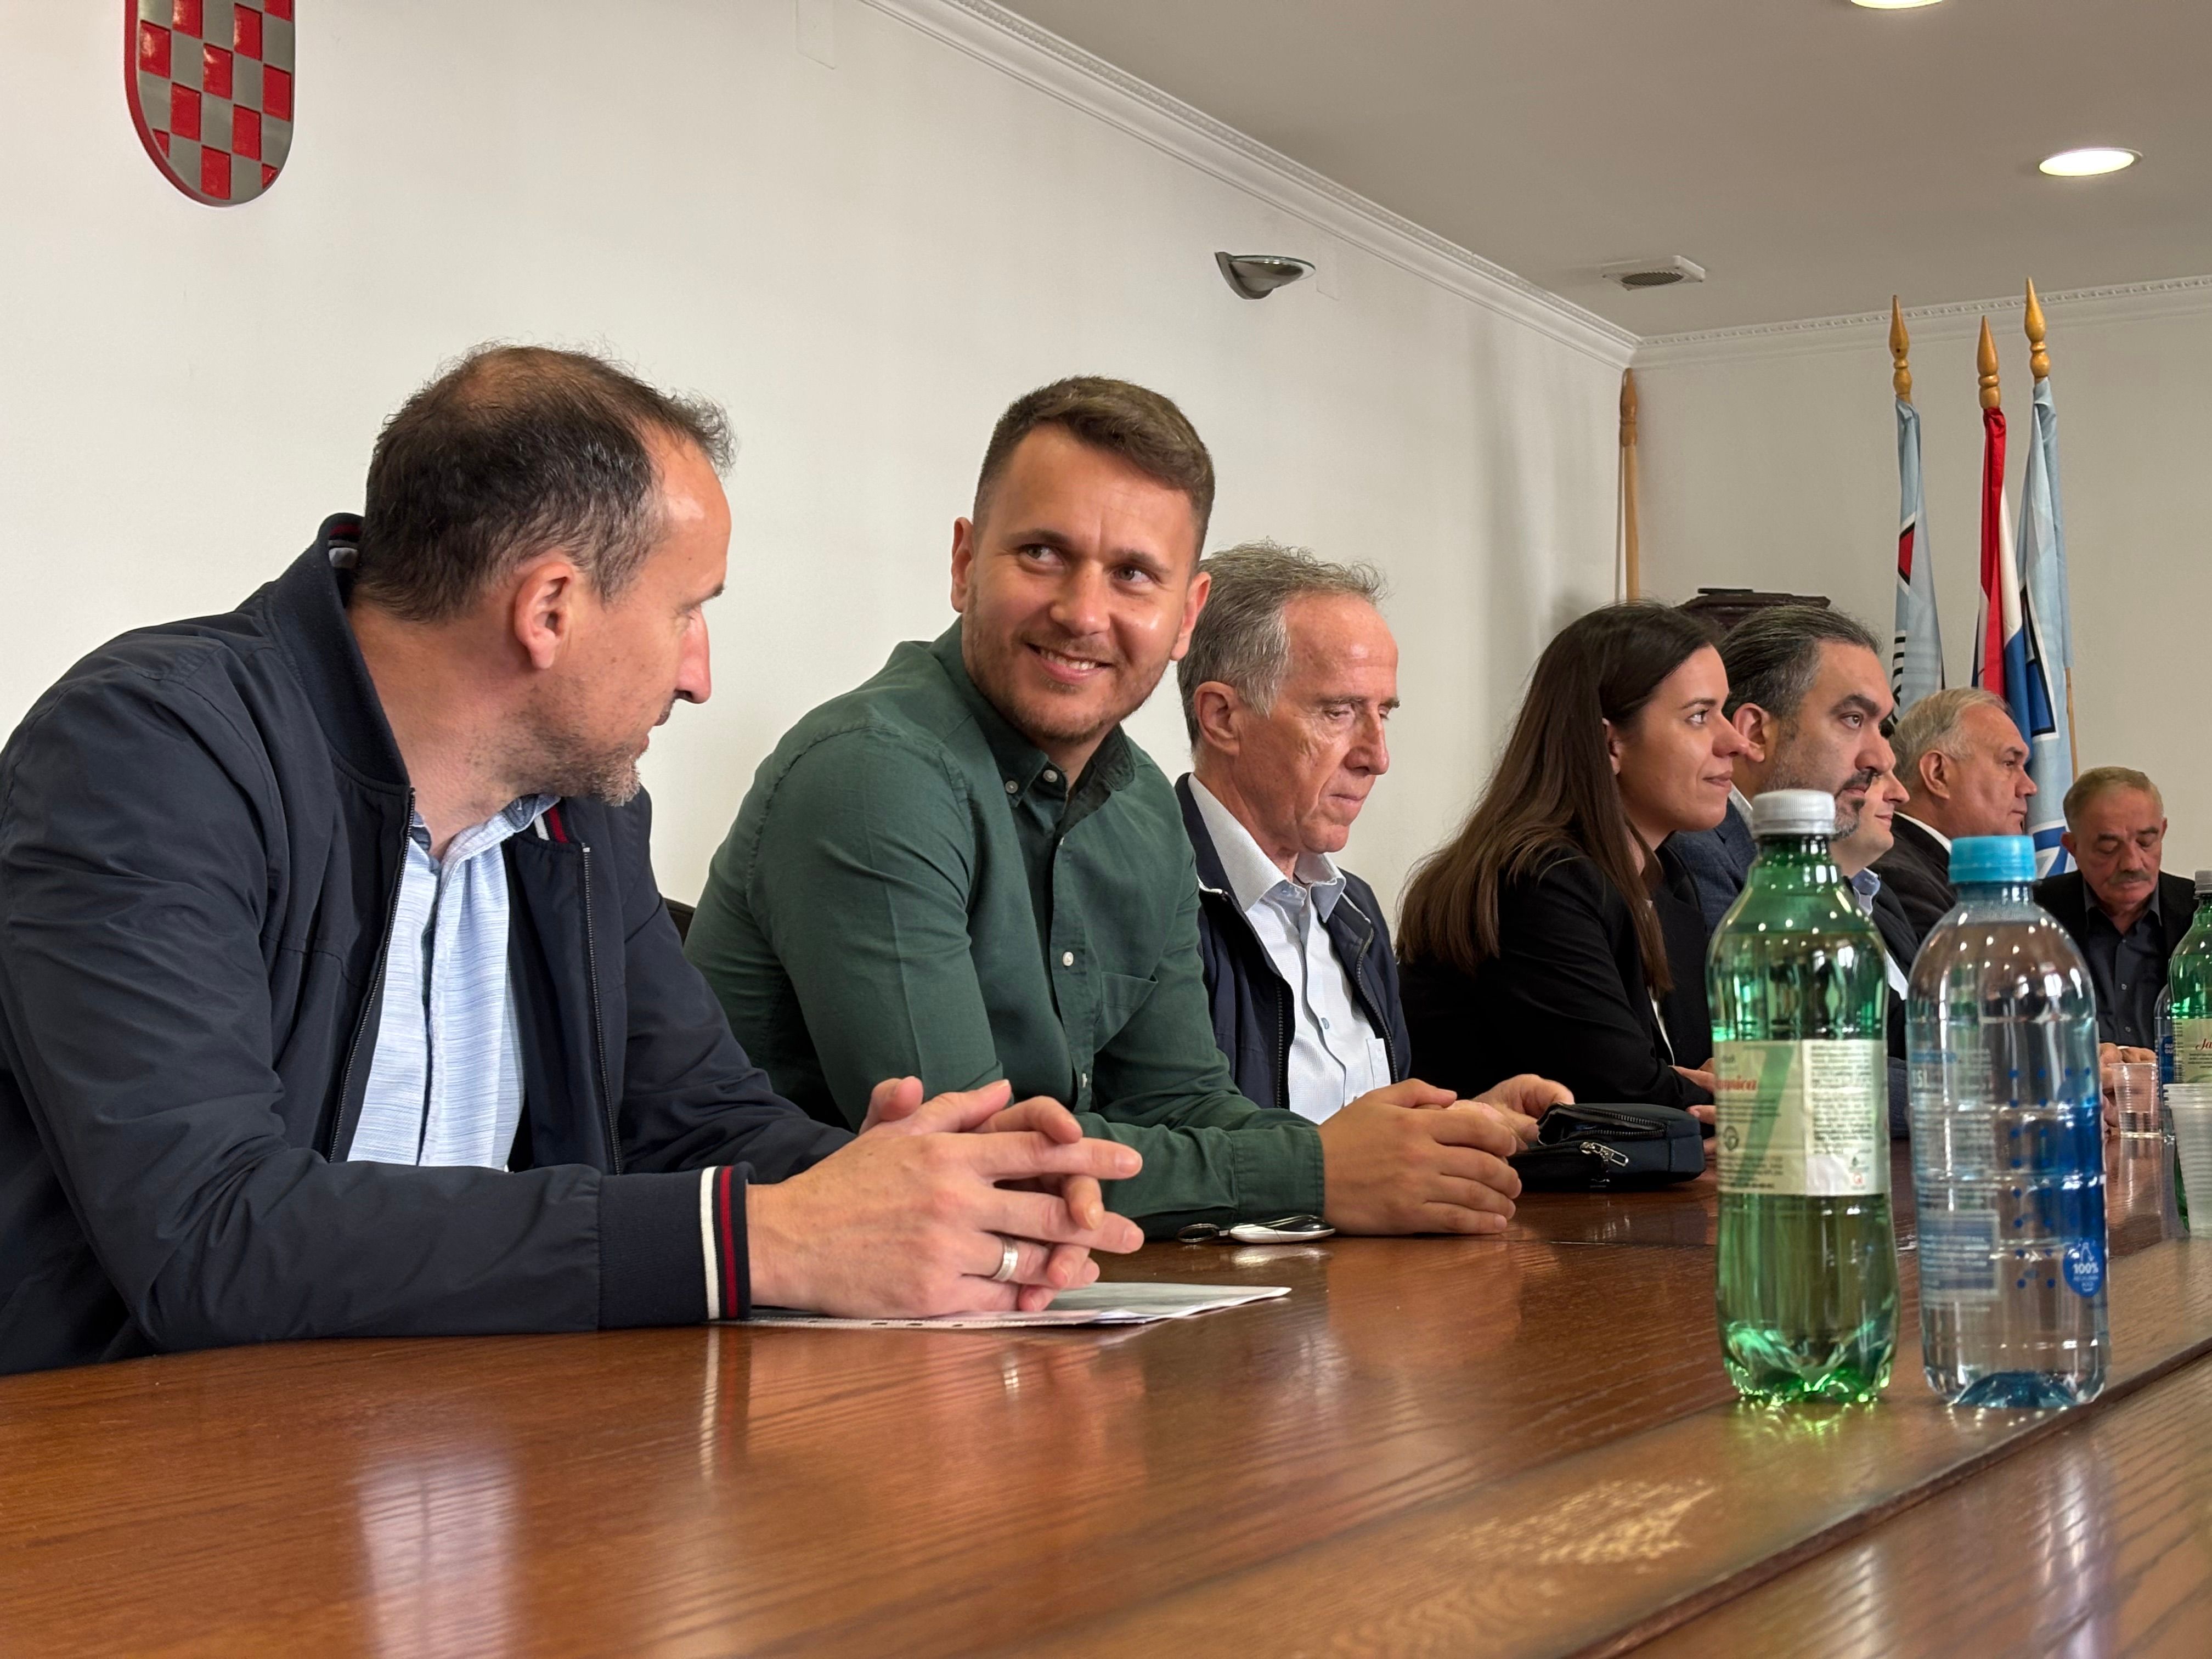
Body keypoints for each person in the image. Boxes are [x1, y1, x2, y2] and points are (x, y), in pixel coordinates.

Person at [0, 347, 1145, 1378]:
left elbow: (691, 1121)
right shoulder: (146, 752)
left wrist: (921, 1188)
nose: (699, 674)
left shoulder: (583, 812)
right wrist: (755, 1239)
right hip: (128, 1479)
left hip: (464, 1441)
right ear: (549, 607)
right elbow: (208, 1234)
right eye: (687, 611)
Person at [686, 377, 1553, 1238]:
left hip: (1021, 1288)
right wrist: (1318, 1169)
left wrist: (1415, 1150)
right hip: (785, 1305)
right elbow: (965, 1164)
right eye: (1042, 554)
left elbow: (1181, 1099)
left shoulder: (1140, 802)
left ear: (1187, 617)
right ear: (964, 565)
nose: (1083, 613)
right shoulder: (873, 772)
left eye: (1134, 575)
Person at [1175, 541, 1543, 1123]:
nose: (1377, 757)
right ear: (1223, 717)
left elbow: (1364, 1138)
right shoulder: (1154, 899)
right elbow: (1169, 1142)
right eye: (1339, 712)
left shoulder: (1356, 910)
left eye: (1383, 713)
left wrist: (1461, 1126)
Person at [1396, 603, 1746, 1115]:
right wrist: (1748, 1107)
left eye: (1723, 712)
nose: (1734, 741)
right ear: (1610, 744)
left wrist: (1715, 1092)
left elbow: (1686, 1074)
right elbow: (1622, 1098)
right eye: (1699, 716)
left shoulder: (1669, 879)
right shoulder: (1537, 881)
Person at [1671, 606, 1895, 934]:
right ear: (1756, 733)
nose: (1883, 760)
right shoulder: (1697, 860)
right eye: (1853, 719)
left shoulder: (1817, 863)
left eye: (1881, 727)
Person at [2036, 767, 2196, 1048]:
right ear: (2072, 847)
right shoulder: (2033, 914)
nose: (2132, 863)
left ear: (2162, 832)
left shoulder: (2201, 914)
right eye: (2109, 847)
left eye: (2146, 842)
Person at [1873, 686, 2036, 947]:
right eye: (2009, 763)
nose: (2029, 787)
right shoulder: (1899, 879)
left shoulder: (1935, 871)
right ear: (1938, 774)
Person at [1829, 765, 1914, 1135]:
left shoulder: (1880, 896)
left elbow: (1898, 1024)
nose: (1900, 794)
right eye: (1873, 775)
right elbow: (1817, 1073)